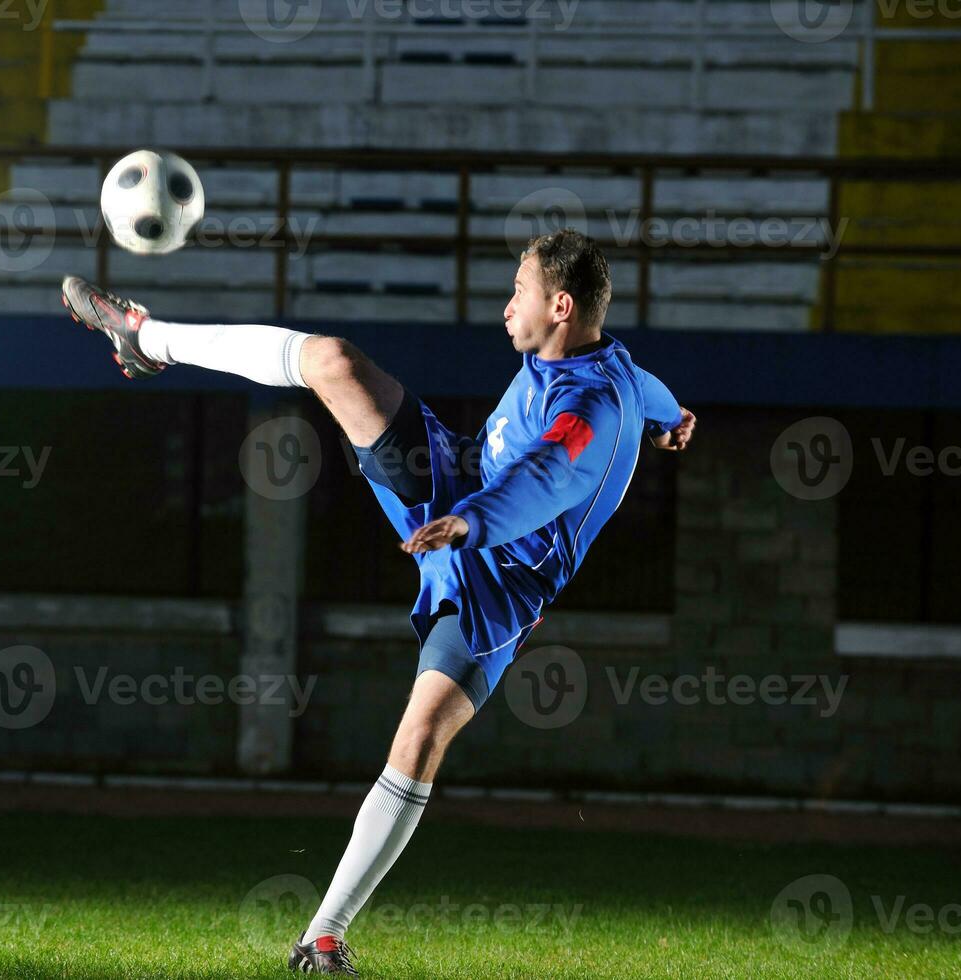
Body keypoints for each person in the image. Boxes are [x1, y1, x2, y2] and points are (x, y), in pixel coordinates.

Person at [59, 228, 695, 976]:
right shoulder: (607, 363)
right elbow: (646, 388)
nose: (505, 306)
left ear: (560, 304)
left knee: (420, 739)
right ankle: (149, 338)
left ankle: (322, 934)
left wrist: (476, 522)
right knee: (332, 361)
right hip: (450, 478)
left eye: (516, 291)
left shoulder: (589, 407)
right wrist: (675, 417)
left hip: (499, 577)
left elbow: (549, 477)